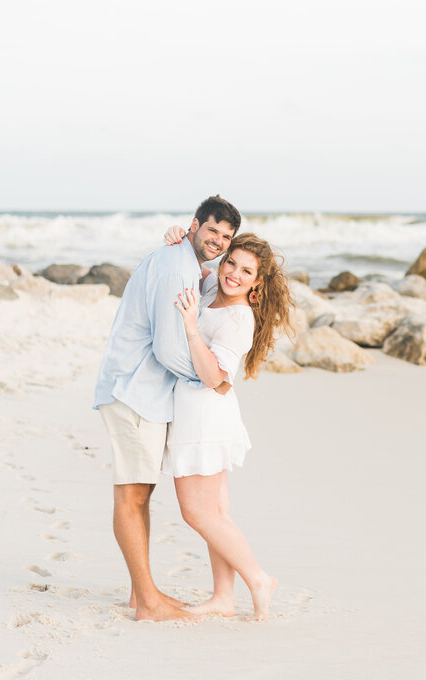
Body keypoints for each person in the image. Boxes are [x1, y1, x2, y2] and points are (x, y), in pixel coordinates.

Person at [92, 195, 240, 622]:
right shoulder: (178, 264)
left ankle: (143, 595)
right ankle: (148, 602)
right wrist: (206, 380)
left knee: (141, 494)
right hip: (135, 388)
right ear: (195, 225)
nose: (217, 241)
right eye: (211, 230)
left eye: (225, 237)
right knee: (132, 494)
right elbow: (166, 345)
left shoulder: (183, 260)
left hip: (142, 392)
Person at [163, 231, 293, 621]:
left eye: (246, 271)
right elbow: (194, 262)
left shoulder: (238, 317)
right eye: (231, 263)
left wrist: (189, 328)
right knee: (217, 512)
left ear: (257, 284)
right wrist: (180, 237)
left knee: (198, 514)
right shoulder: (209, 292)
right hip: (199, 414)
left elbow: (215, 376)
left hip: (204, 418)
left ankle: (258, 578)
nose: (233, 273)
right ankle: (223, 597)